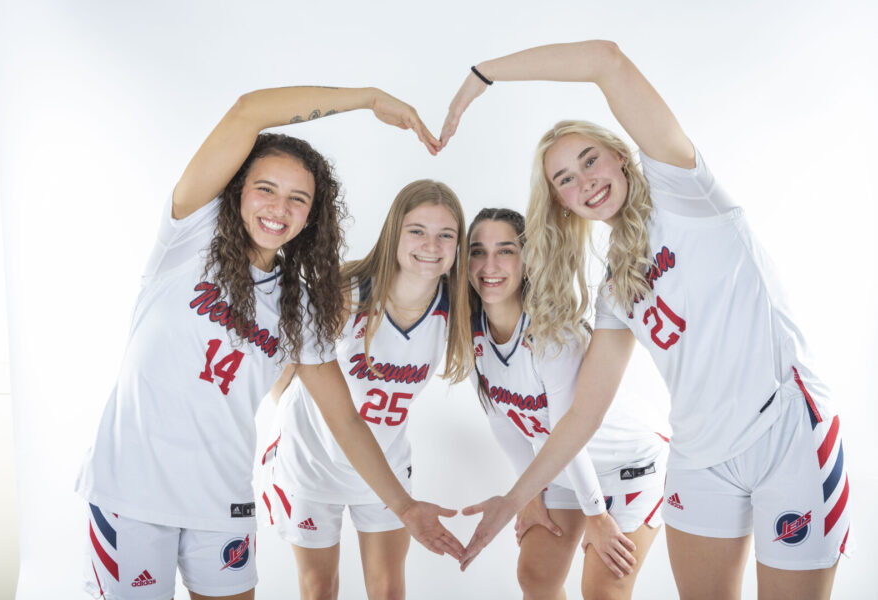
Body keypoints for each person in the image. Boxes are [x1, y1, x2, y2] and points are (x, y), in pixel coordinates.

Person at [442, 41, 851, 599]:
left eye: (589, 159)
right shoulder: (616, 287)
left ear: (622, 154)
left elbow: (606, 60)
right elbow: (582, 413)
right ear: (562, 203)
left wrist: (482, 74)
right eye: (564, 179)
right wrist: (516, 499)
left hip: (783, 433)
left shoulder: (686, 192)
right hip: (698, 457)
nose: (583, 181)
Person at [75, 86, 464, 600]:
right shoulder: (188, 238)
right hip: (132, 494)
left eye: (298, 198)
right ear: (237, 191)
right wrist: (368, 100)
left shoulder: (299, 304)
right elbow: (247, 111)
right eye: (266, 189)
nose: (279, 207)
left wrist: (404, 506)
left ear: (310, 217)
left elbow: (345, 418)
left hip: (223, 504)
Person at [259, 179, 472, 600]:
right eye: (417, 230)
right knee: (319, 588)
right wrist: (291, 417)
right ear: (394, 232)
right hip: (312, 462)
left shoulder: (458, 306)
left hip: (385, 464)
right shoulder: (346, 292)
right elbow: (286, 368)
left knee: (389, 589)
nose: (432, 244)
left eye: (446, 234)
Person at [467, 207, 667, 599]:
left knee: (602, 590)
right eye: (478, 251)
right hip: (564, 468)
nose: (489, 264)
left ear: (528, 260)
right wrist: (528, 497)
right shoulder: (471, 336)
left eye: (505, 250)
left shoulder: (552, 333)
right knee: (536, 575)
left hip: (629, 464)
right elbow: (505, 425)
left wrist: (596, 515)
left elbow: (570, 431)